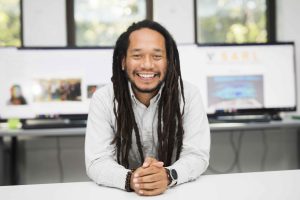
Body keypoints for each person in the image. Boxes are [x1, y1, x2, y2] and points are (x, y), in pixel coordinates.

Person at [85, 20, 210, 196]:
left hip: (178, 193)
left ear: (168, 62)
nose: (147, 65)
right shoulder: (104, 99)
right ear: (123, 62)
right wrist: (132, 179)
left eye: (157, 56)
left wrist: (168, 175)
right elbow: (97, 161)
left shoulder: (188, 96)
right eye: (137, 56)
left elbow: (197, 155)